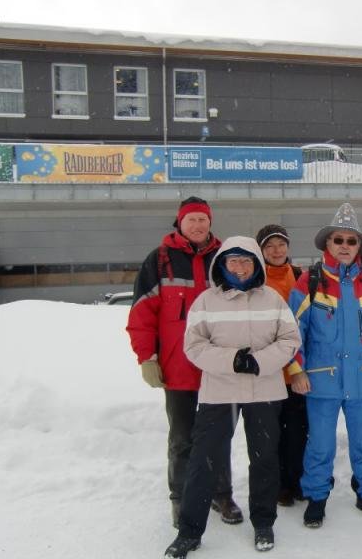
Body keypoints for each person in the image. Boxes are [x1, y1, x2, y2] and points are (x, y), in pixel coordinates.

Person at [163, 236, 302, 557]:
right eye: (233, 260)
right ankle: (189, 531)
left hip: (264, 388)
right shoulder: (206, 301)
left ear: (256, 264)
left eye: (246, 260)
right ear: (222, 264)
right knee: (204, 459)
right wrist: (233, 360)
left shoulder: (272, 299)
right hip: (219, 391)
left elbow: (290, 340)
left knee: (264, 459)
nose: (240, 267)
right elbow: (194, 346)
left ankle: (263, 522)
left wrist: (258, 361)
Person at [126, 196, 242, 528]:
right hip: (177, 367)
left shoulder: (225, 257)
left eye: (203, 219)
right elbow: (142, 313)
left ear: (210, 222)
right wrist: (147, 357)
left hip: (218, 367)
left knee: (220, 435)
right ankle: (181, 498)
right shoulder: (159, 260)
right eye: (191, 219)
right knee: (182, 439)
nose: (198, 225)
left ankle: (221, 494)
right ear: (180, 222)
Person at [288, 203, 362, 528]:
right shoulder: (308, 282)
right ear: (328, 243)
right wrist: (296, 370)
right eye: (339, 240)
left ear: (359, 246)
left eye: (351, 241)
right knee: (320, 445)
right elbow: (292, 332)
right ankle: (317, 497)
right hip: (321, 382)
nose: (345, 246)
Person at [255, 224, 307, 507]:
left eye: (281, 244)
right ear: (261, 251)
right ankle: (278, 485)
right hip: (270, 370)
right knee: (271, 433)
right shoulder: (256, 280)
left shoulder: (300, 276)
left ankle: (296, 480)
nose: (276, 251)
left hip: (298, 369)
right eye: (269, 246)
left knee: (297, 431)